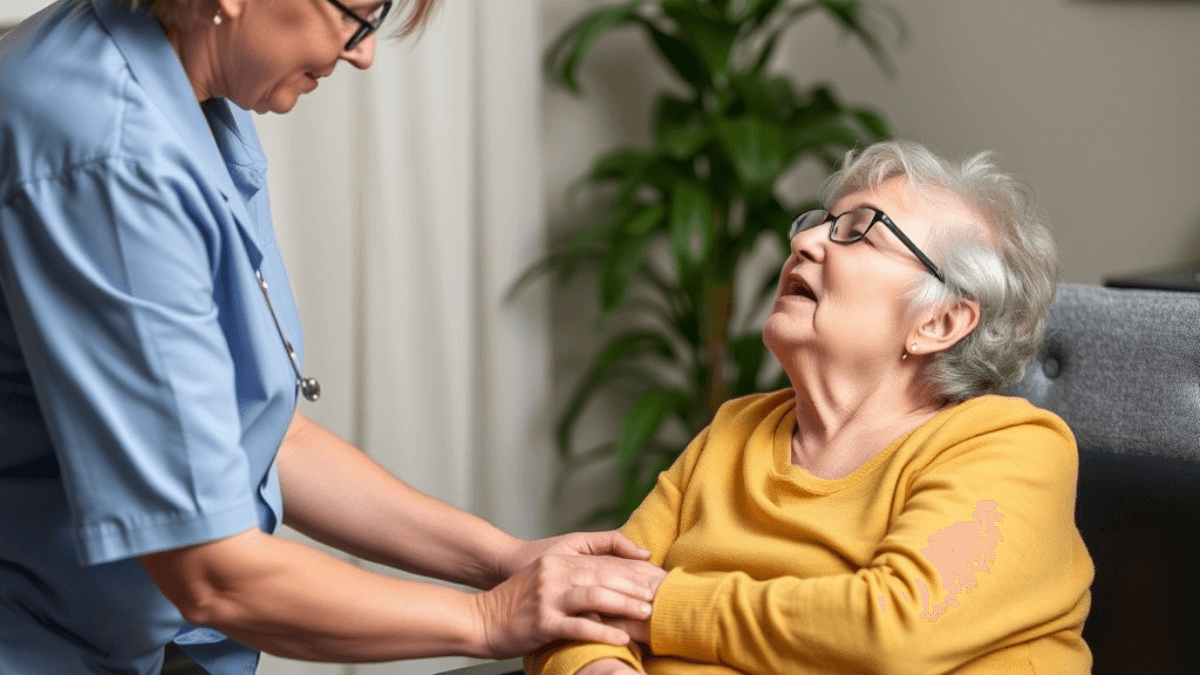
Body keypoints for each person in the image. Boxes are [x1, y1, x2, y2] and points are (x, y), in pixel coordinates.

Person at [0, 1, 664, 674]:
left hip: (136, 634)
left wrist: (505, 559)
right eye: (358, 13)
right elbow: (212, 570)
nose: (363, 51)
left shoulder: (186, 93)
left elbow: (262, 435)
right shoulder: (108, 156)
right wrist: (491, 617)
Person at [528, 141, 1095, 675]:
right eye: (818, 222)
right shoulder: (734, 432)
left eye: (859, 233)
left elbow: (892, 629)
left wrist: (661, 606)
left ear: (940, 321)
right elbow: (581, 603)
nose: (804, 243)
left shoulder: (1014, 448)